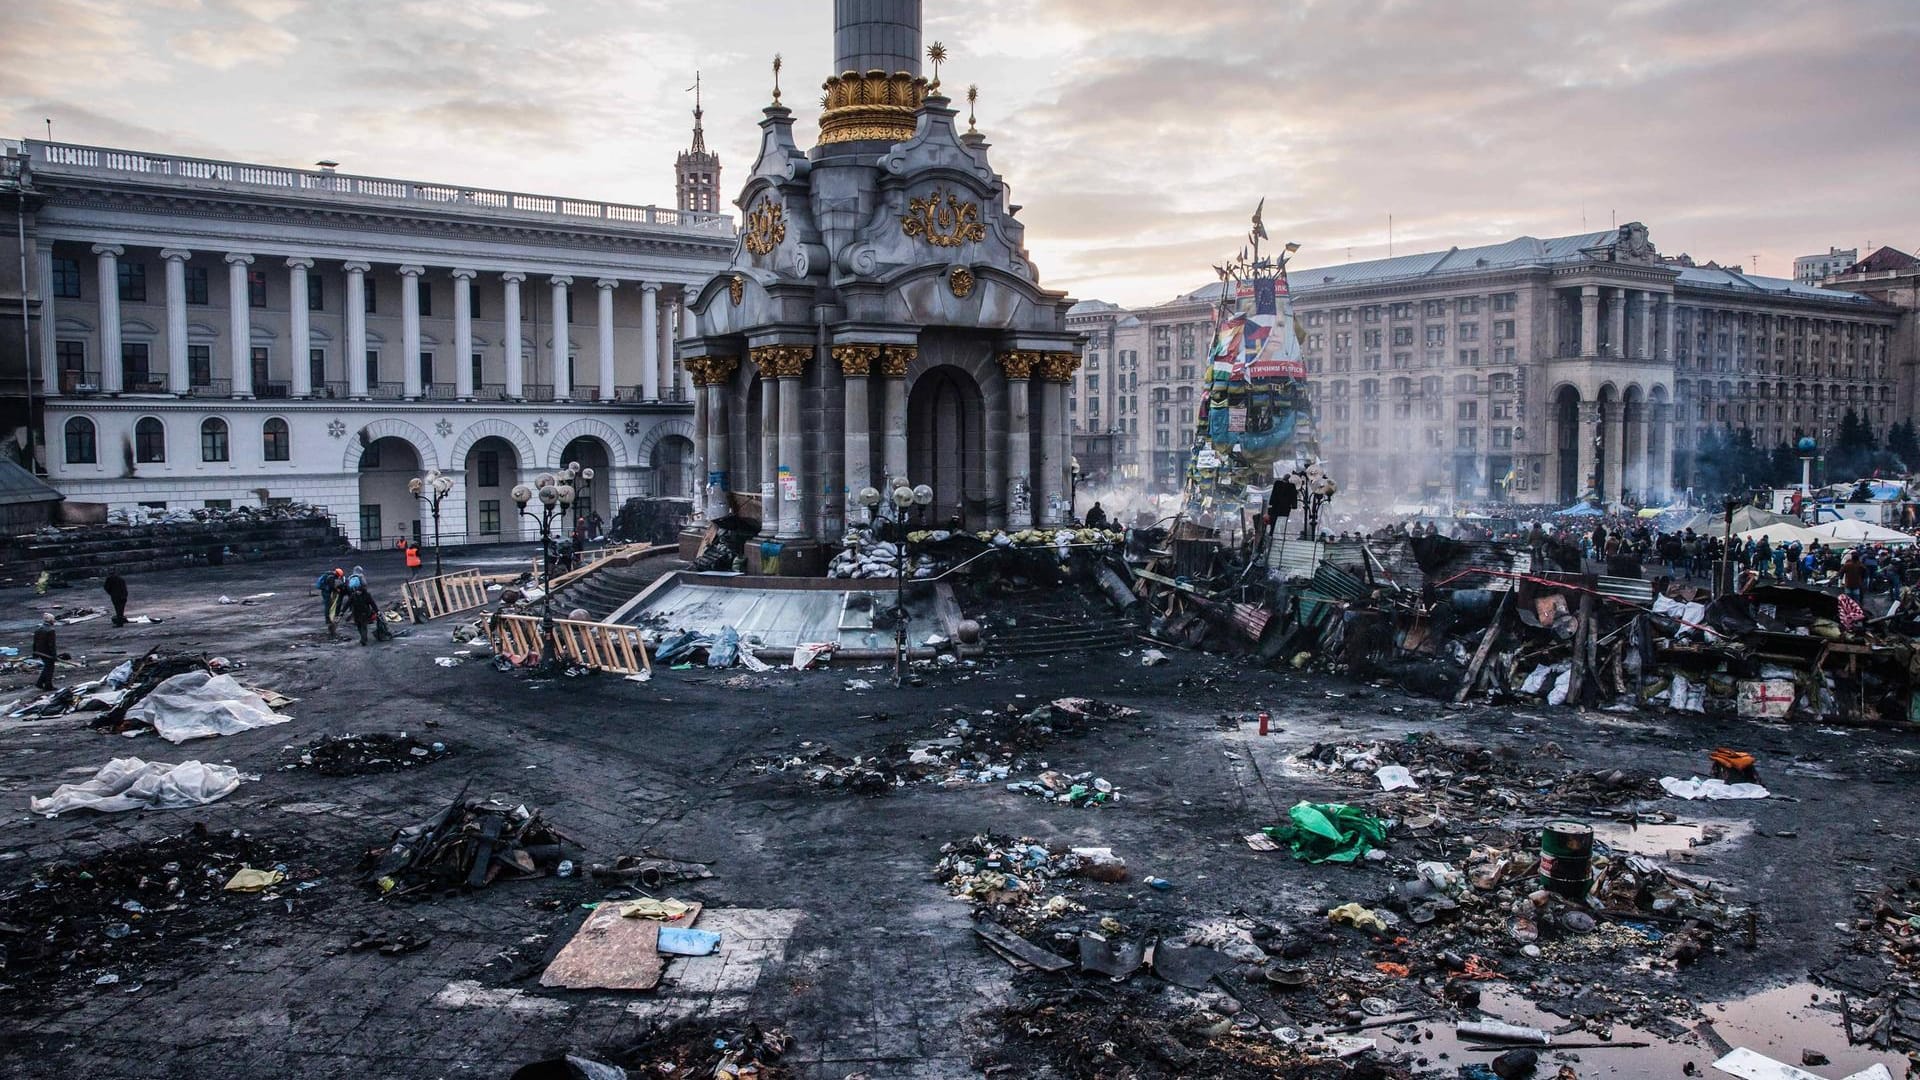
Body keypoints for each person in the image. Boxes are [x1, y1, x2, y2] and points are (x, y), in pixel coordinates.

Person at [316, 567, 345, 639]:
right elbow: (332, 586)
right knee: (327, 605)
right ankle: (328, 619)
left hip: (325, 591)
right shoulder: (331, 577)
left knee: (328, 604)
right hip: (326, 592)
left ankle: (328, 618)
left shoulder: (329, 575)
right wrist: (337, 590)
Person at [32, 613, 57, 690]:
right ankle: (47, 685)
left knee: (47, 667)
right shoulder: (51, 630)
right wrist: (54, 655)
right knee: (49, 668)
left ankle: (40, 683)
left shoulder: (38, 629)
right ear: (51, 621)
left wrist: (34, 652)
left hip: (39, 651)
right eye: (53, 620)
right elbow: (51, 644)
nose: (54, 621)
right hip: (48, 653)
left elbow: (35, 642)